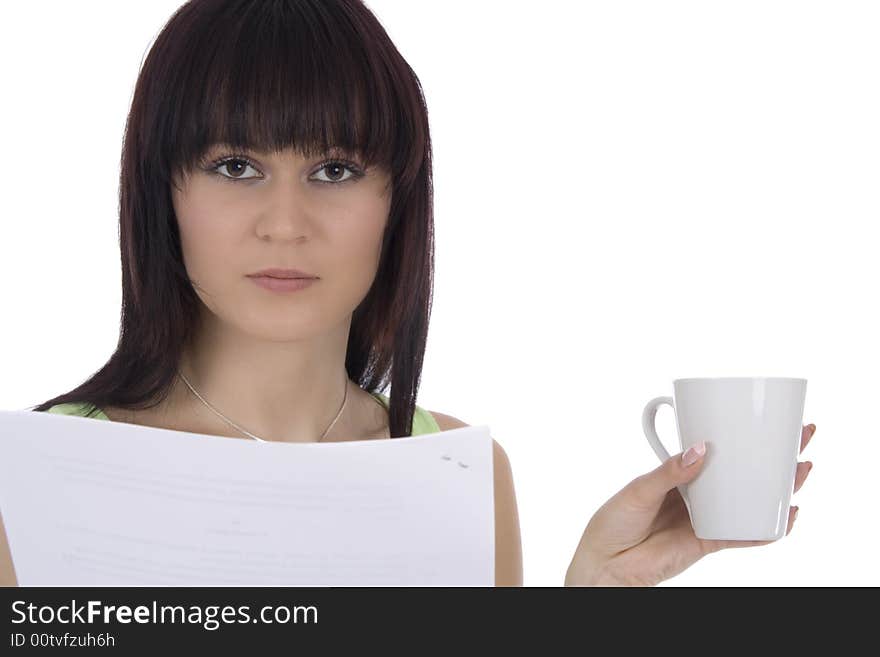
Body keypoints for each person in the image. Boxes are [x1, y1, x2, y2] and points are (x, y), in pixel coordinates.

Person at [1, 0, 814, 587]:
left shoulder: (463, 471)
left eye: (335, 170)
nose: (285, 224)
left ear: (399, 201)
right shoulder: (33, 473)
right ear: (162, 191)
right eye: (235, 166)